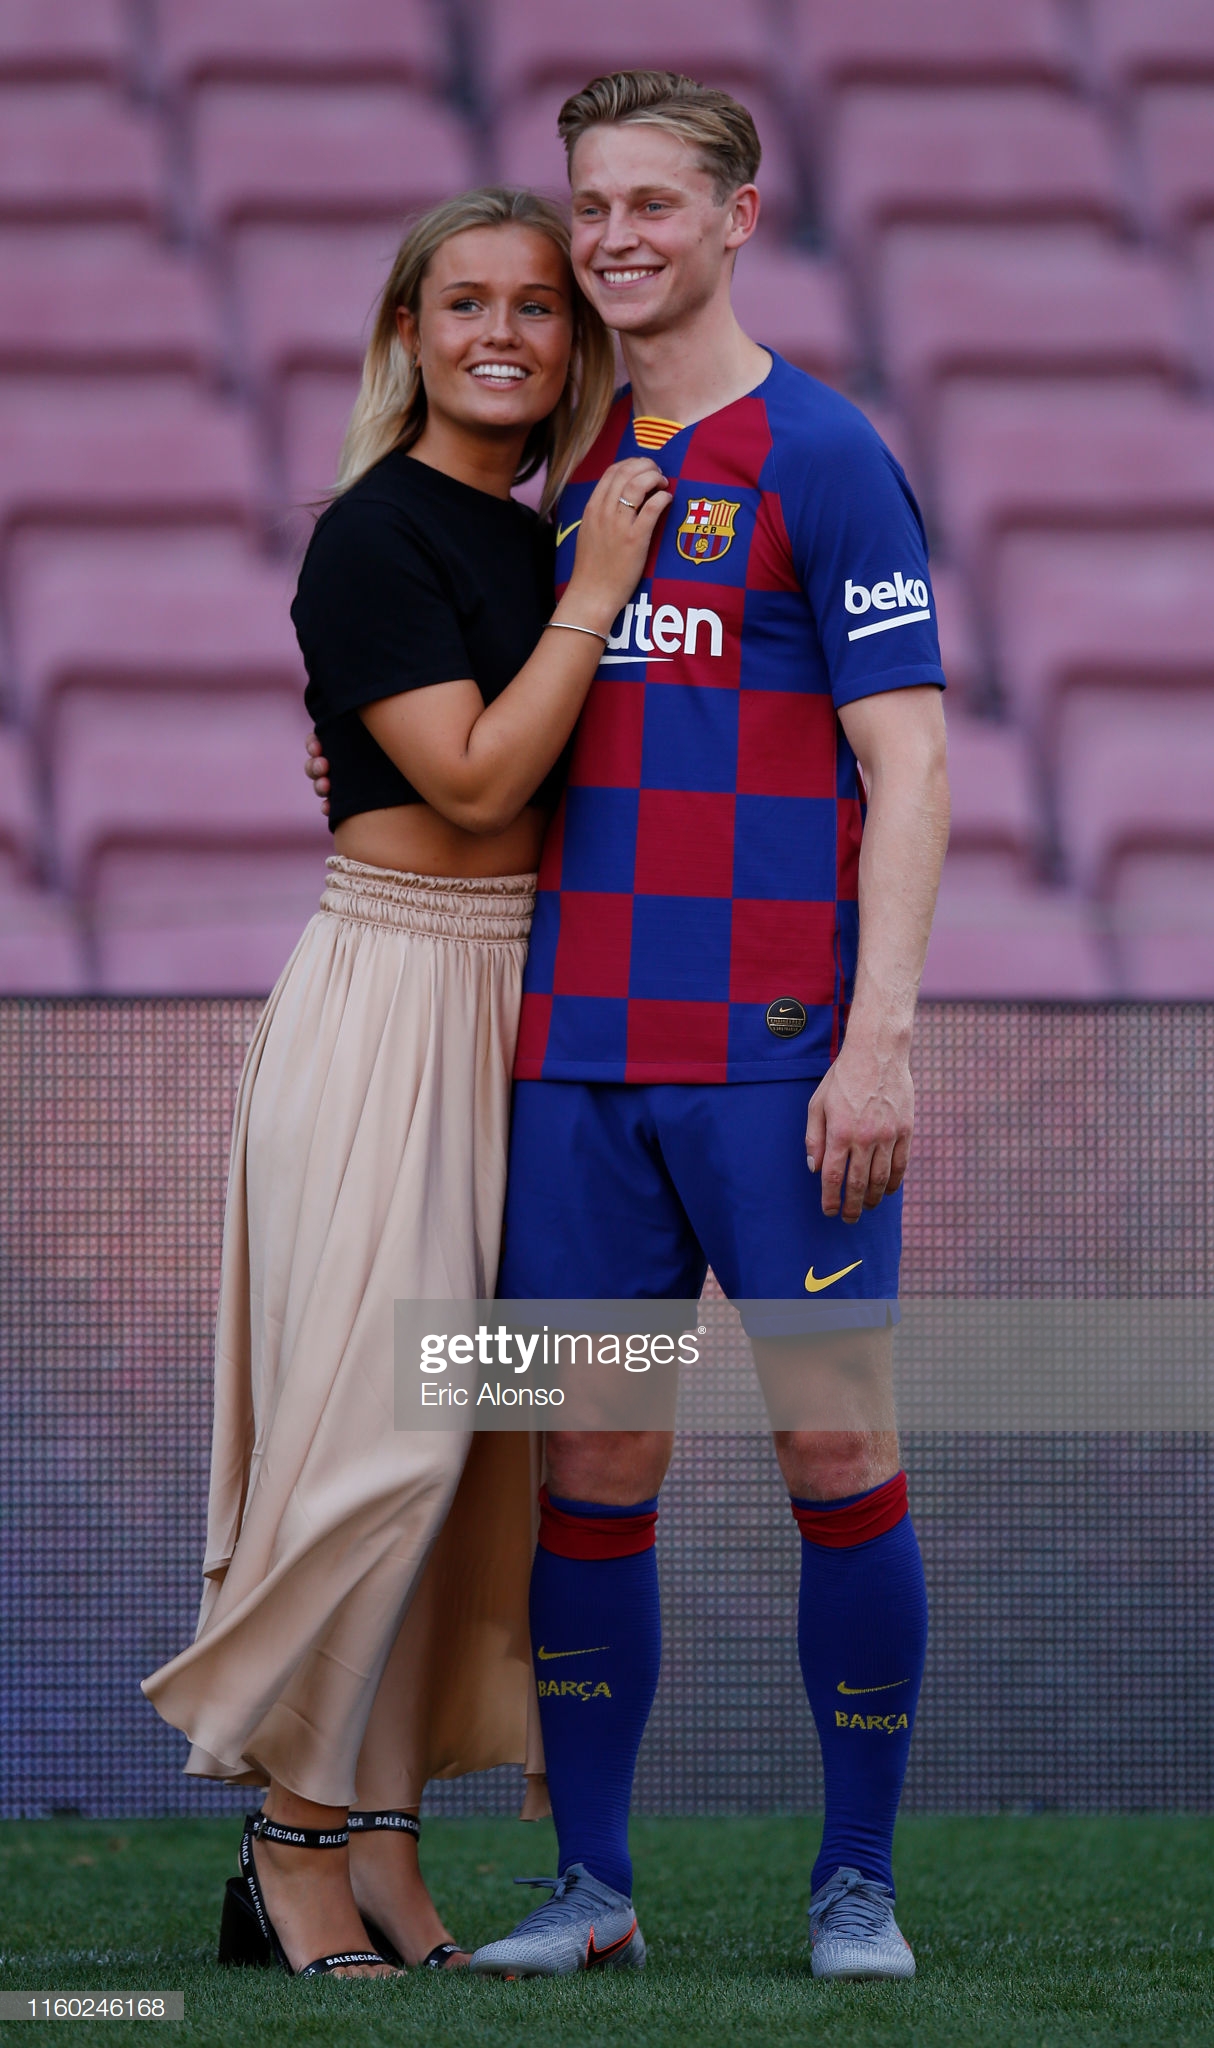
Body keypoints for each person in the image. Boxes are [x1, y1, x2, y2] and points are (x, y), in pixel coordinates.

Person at [306, 74, 950, 1984]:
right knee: (586, 1475)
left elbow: (909, 764)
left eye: (652, 203)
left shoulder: (821, 452)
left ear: (738, 218)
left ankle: (856, 1890)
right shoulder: (562, 463)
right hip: (574, 1062)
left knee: (836, 1454)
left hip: (776, 1061)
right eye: (591, 204)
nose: (611, 240)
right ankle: (588, 1891)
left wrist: (878, 1040)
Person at [142, 184, 670, 1982]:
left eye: (537, 305)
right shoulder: (375, 535)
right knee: (385, 1442)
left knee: (477, 1461)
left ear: (573, 341)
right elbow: (469, 781)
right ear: (407, 334)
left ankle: (382, 1846)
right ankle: (285, 1842)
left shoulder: (543, 540)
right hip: (393, 1001)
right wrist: (592, 598)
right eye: (465, 303)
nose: (503, 333)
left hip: (536, 1004)